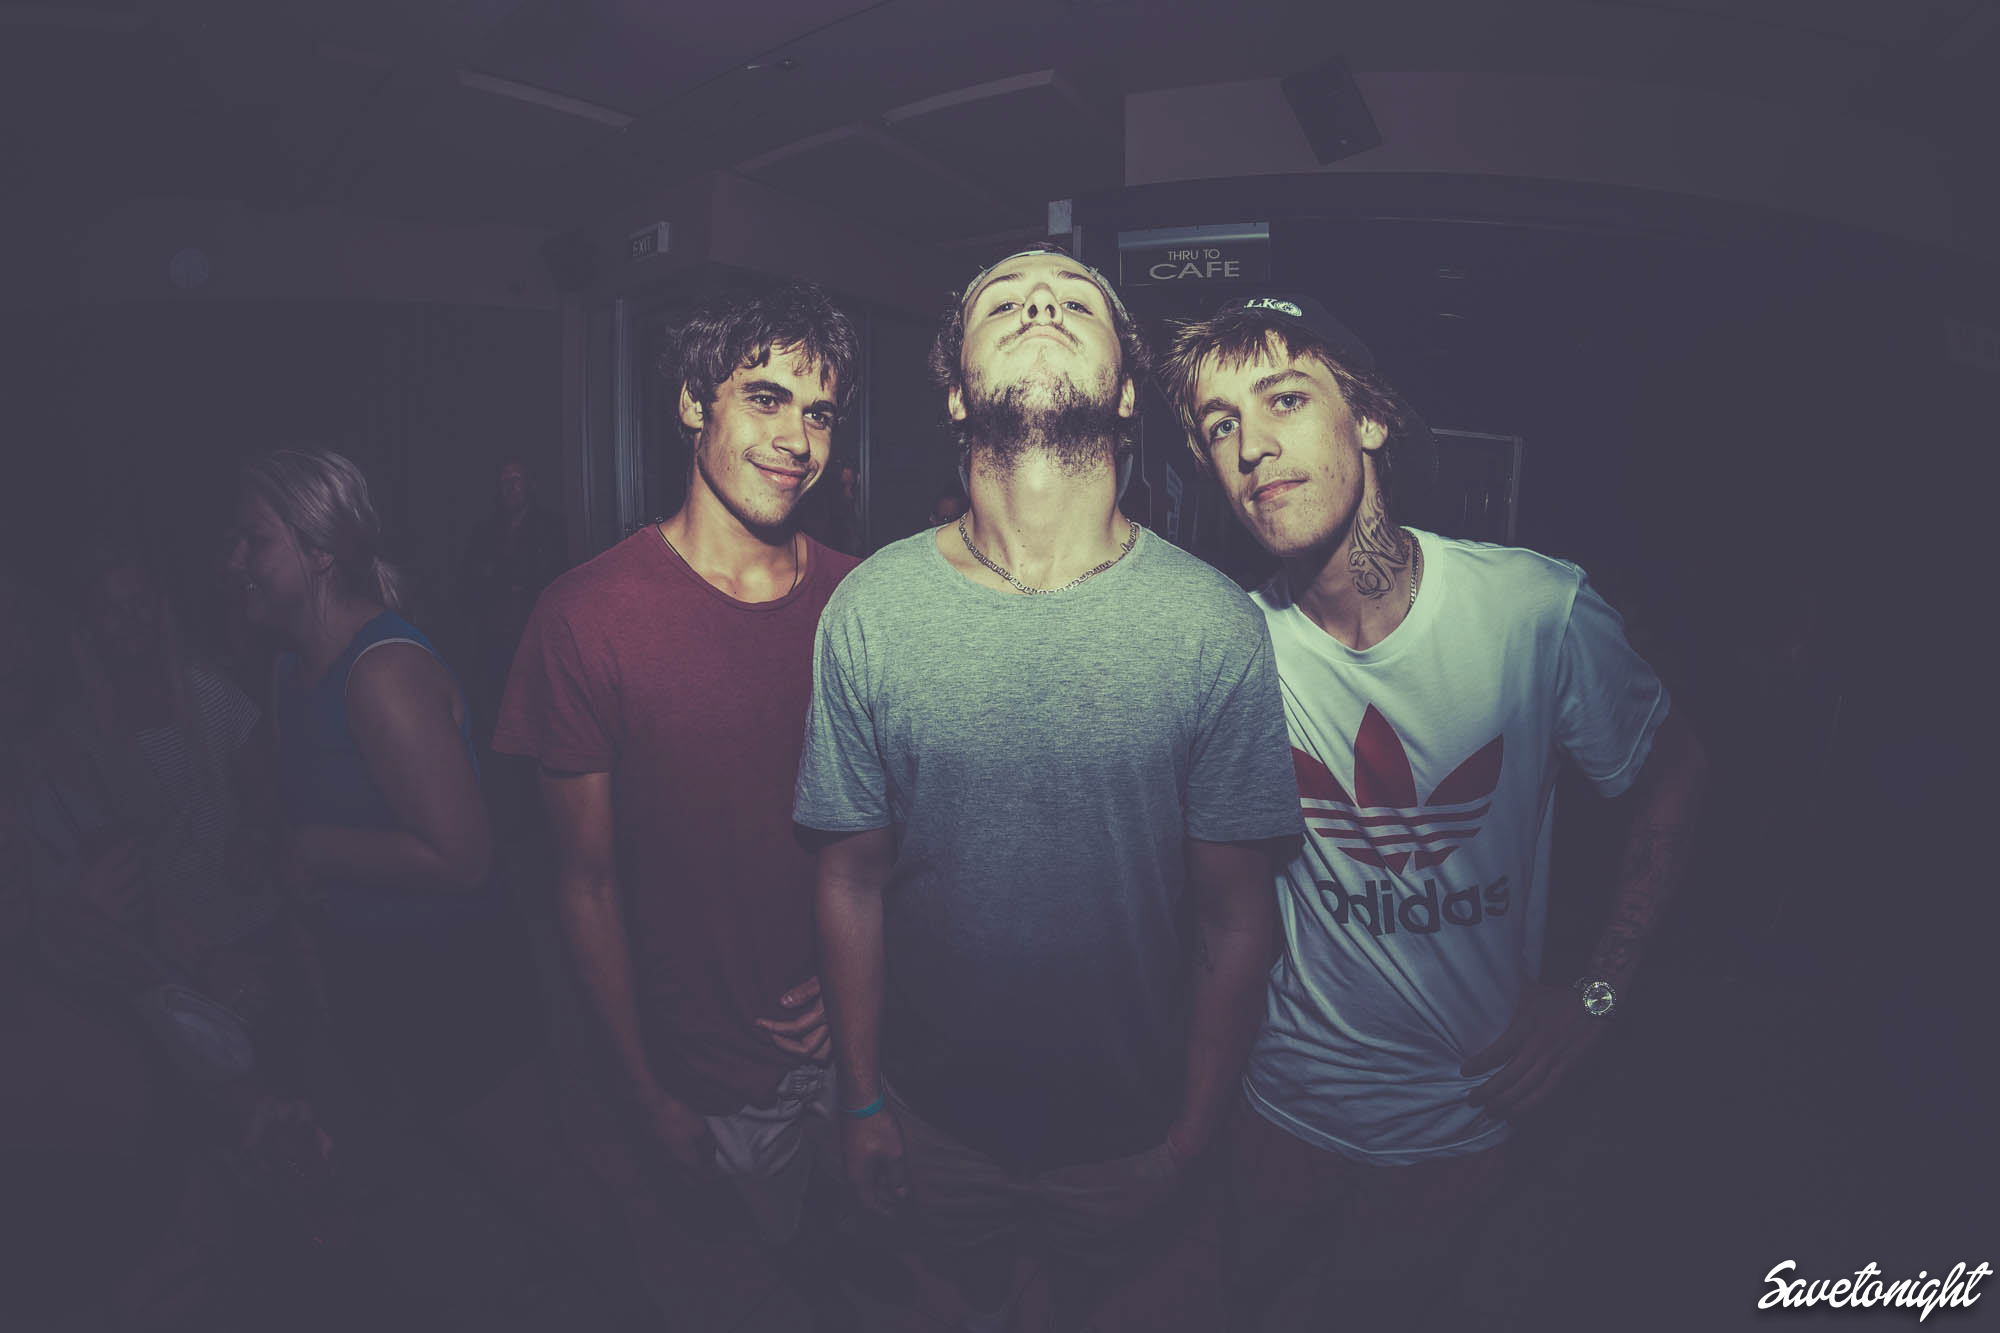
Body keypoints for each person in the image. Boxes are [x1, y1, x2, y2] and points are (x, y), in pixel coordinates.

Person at [1158, 293, 1709, 1329]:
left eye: (1284, 399)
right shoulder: (1230, 645)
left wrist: (1596, 995)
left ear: (1368, 417)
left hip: (1463, 1115)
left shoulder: (1533, 612)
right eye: (1220, 425)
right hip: (1278, 1106)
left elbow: (1672, 772)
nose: (1251, 445)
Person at [795, 244, 1303, 1331]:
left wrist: (1188, 1139)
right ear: (953, 390)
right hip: (931, 1124)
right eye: (1004, 301)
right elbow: (849, 879)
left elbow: (1235, 917)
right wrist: (862, 1095)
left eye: (1075, 299)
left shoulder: (1212, 623)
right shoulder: (870, 609)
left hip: (1127, 1133)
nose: (1038, 303)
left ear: (1125, 393)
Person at [494, 283, 875, 1326]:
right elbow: (583, 886)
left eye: (819, 411)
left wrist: (868, 978)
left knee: (873, 1241)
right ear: (691, 403)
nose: (796, 438)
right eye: (766, 396)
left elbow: (914, 831)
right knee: (763, 1261)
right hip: (710, 1062)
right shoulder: (586, 616)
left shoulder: (866, 600)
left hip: (868, 1036)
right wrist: (644, 1093)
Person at [224, 448, 544, 1140]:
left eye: (254, 540)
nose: (234, 561)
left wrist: (315, 849)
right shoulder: (286, 671)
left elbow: (465, 859)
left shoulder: (382, 674)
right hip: (369, 977)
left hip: (457, 986)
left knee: (521, 1170)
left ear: (319, 553)